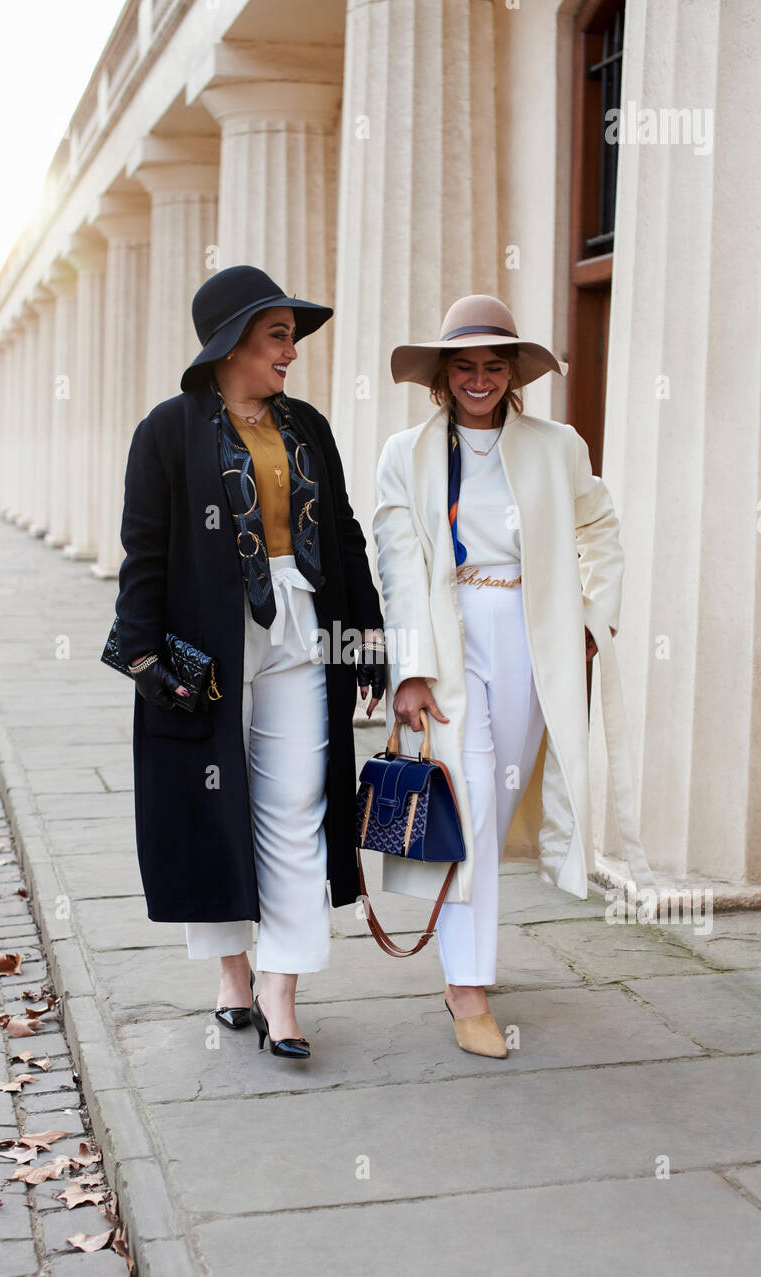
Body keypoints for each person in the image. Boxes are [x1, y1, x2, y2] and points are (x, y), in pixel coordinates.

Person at [114, 265, 385, 1060]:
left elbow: (341, 530)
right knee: (211, 804)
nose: (291, 352)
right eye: (278, 336)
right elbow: (145, 550)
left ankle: (281, 987)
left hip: (303, 627)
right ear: (232, 342)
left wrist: (367, 631)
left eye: (291, 338)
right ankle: (233, 976)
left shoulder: (308, 426)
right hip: (206, 641)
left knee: (296, 800)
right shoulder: (167, 430)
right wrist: (139, 653)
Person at [372, 294, 653, 1059]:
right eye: (463, 366)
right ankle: (466, 987)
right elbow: (396, 565)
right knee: (465, 809)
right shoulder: (407, 452)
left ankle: (470, 952)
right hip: (449, 639)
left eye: (493, 366)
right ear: (441, 375)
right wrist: (409, 669)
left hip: (535, 641)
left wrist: (594, 616)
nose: (478, 378)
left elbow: (599, 527)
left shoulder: (556, 445)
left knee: (495, 804)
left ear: (512, 374)